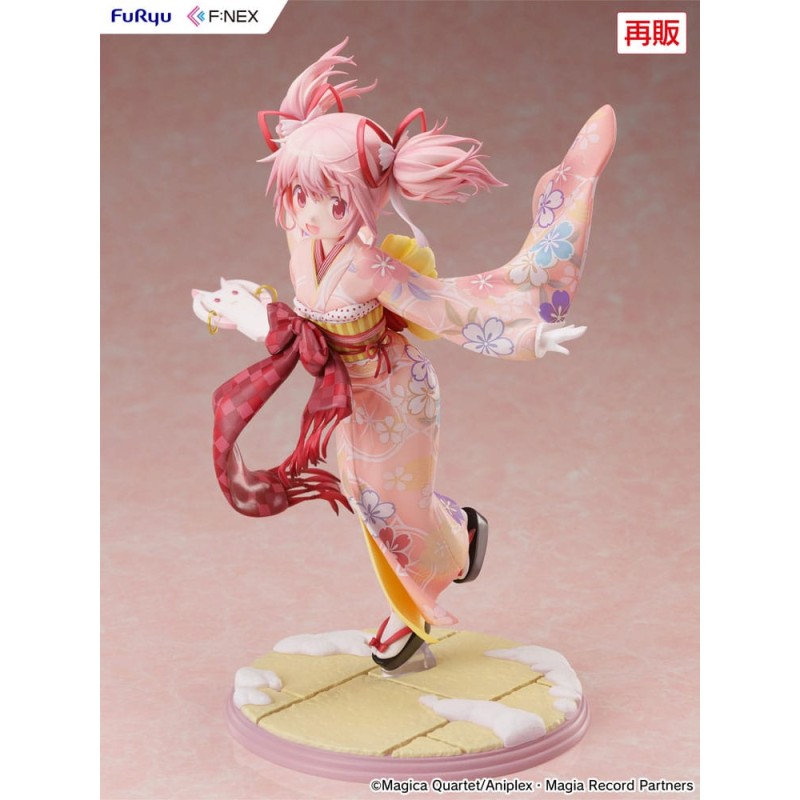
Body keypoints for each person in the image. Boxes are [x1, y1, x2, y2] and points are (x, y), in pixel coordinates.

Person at [193, 40, 616, 670]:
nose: (309, 211)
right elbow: (302, 322)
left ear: (364, 199)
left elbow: (443, 306)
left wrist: (527, 335)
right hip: (348, 391)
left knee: (386, 504)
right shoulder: (302, 238)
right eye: (300, 193)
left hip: (394, 391)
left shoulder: (367, 265)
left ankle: (413, 611)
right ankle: (461, 532)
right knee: (369, 494)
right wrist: (245, 311)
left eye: (333, 200)